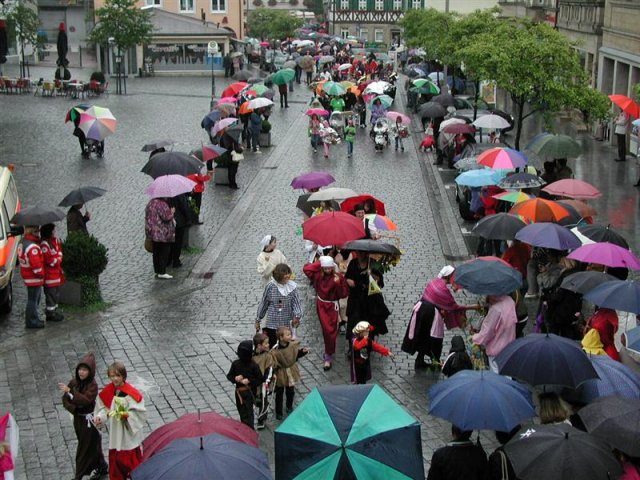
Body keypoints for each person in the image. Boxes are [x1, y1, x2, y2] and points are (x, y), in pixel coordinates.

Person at [403, 266, 478, 369]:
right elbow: (454, 307)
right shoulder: (443, 289)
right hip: (430, 315)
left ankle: (420, 360)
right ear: (449, 276)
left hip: (421, 310)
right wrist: (473, 307)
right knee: (432, 339)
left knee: (422, 336)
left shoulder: (434, 282)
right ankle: (433, 361)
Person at [58, 352, 109, 480]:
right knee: (92, 445)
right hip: (78, 420)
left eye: (85, 370)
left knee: (83, 449)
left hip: (89, 422)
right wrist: (74, 409)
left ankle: (78, 476)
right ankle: (102, 466)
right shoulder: (74, 382)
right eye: (80, 369)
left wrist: (71, 393)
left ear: (90, 372)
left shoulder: (93, 386)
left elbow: (85, 400)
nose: (81, 372)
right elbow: (65, 400)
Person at [93, 361, 146, 480]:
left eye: (118, 375)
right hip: (116, 435)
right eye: (112, 376)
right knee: (116, 466)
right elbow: (104, 409)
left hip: (128, 436)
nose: (115, 379)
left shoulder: (131, 393)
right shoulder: (108, 391)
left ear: (123, 376)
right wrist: (100, 418)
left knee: (133, 467)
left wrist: (127, 415)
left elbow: (139, 412)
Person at [303, 256, 350, 371]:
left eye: (330, 268)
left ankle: (329, 351)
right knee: (327, 330)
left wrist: (338, 284)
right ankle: (328, 354)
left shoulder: (338, 277)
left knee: (332, 331)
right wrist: (320, 261)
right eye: (325, 268)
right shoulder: (318, 276)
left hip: (332, 306)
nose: (328, 270)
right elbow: (306, 269)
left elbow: (343, 294)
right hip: (322, 306)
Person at [344, 252, 390, 345]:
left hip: (370, 300)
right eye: (359, 253)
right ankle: (353, 345)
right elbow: (347, 277)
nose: (361, 255)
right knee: (354, 321)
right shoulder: (353, 263)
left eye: (363, 253)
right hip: (356, 299)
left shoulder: (373, 264)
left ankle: (368, 343)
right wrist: (349, 281)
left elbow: (380, 283)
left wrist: (371, 274)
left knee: (369, 322)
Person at [256, 263, 303, 348]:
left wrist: (297, 316)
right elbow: (264, 303)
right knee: (272, 345)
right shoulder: (270, 286)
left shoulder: (292, 286)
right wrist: (258, 319)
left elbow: (296, 303)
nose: (287, 276)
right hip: (272, 323)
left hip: (286, 322)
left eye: (288, 273)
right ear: (278, 275)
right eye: (285, 274)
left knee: (285, 346)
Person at [270, 326, 309, 420]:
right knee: (279, 393)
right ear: (281, 337)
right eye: (287, 335)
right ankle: (278, 412)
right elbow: (273, 363)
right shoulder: (275, 350)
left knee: (290, 391)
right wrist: (274, 372)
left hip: (291, 371)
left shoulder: (292, 345)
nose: (290, 336)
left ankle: (289, 406)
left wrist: (302, 352)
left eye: (290, 334)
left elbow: (296, 355)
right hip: (281, 373)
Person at [472, 294, 517, 373]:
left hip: (496, 349)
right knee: (506, 373)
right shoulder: (510, 301)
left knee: (496, 374)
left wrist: (475, 337)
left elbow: (487, 332)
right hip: (509, 346)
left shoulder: (496, 309)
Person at [226, 340, 262, 430]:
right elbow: (229, 376)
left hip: (250, 393)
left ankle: (249, 430)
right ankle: (245, 430)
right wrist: (235, 378)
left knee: (248, 413)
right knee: (242, 412)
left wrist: (249, 381)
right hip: (239, 393)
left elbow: (259, 379)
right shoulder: (236, 364)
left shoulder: (254, 365)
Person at [18, 225, 46, 329]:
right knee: (33, 300)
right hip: (33, 277)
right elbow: (36, 264)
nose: (39, 233)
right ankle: (32, 321)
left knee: (33, 299)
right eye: (37, 231)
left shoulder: (23, 242)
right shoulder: (32, 247)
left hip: (27, 275)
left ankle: (34, 318)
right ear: (32, 231)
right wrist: (42, 274)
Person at [144, 197, 175, 280]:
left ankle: (157, 271)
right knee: (163, 252)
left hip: (152, 232)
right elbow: (167, 217)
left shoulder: (150, 203)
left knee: (156, 252)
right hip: (161, 233)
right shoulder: (162, 204)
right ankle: (162, 272)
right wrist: (172, 212)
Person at [40, 223, 64, 322]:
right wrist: (57, 259)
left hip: (56, 275)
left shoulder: (54, 241)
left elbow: (59, 252)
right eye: (54, 230)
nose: (55, 232)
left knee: (56, 295)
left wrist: (58, 258)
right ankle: (50, 314)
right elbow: (50, 261)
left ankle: (55, 311)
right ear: (49, 232)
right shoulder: (44, 245)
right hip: (49, 277)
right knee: (50, 296)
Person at [252, 333, 277, 430]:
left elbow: (269, 369)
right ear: (259, 346)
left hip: (263, 383)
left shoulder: (268, 356)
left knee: (263, 400)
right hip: (253, 383)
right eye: (266, 343)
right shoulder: (252, 356)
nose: (268, 345)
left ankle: (261, 419)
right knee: (253, 399)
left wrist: (266, 382)